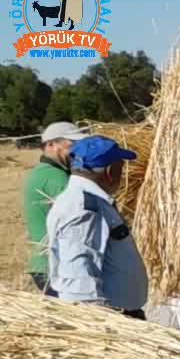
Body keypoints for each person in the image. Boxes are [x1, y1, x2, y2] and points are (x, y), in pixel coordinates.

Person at [46, 135, 149, 319]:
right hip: (112, 319)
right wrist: (98, 324)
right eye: (121, 167)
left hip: (117, 316)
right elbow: (78, 277)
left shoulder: (84, 199)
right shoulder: (84, 208)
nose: (122, 174)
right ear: (110, 171)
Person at [22, 121, 90, 297]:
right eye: (71, 145)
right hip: (55, 268)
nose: (77, 151)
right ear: (51, 145)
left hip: (48, 266)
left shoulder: (45, 172)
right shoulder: (55, 177)